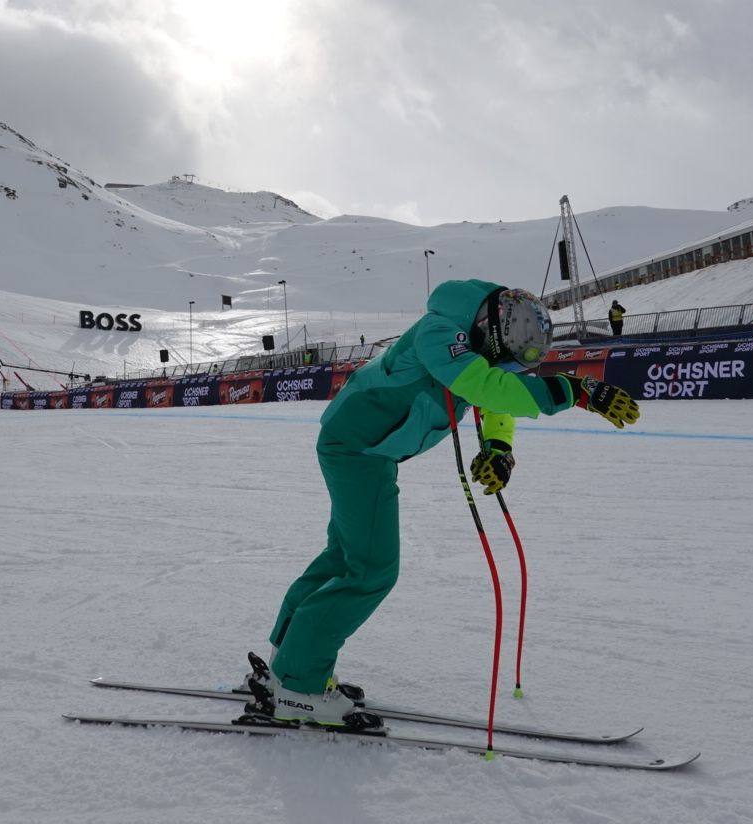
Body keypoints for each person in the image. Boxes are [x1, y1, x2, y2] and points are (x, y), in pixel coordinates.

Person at [246, 281, 640, 729]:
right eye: (508, 355)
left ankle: (287, 663)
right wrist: (575, 391)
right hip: (360, 451)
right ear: (494, 327)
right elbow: (482, 385)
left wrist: (497, 447)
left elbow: (495, 395)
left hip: (364, 448)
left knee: (343, 559)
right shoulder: (440, 331)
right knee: (371, 569)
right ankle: (298, 688)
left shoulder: (473, 342)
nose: (507, 366)